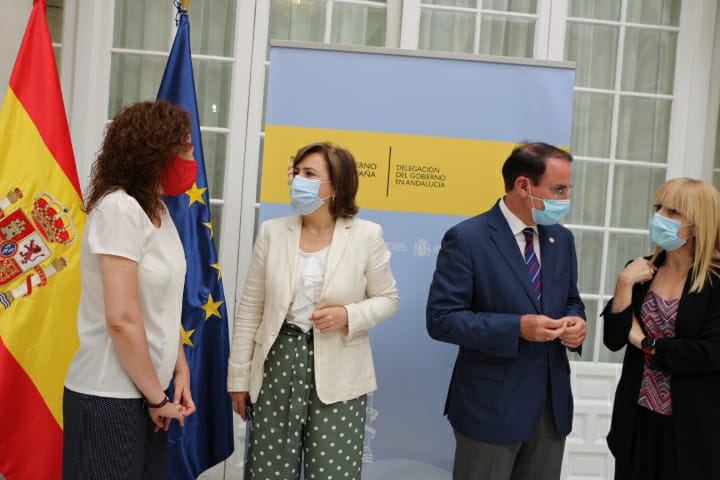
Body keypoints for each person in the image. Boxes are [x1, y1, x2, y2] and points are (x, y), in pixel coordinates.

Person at [227, 141, 399, 480]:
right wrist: (239, 378)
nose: (298, 180)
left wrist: (348, 315)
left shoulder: (366, 235)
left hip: (340, 373)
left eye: (309, 174)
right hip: (275, 367)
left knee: (332, 472)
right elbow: (250, 310)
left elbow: (388, 299)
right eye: (297, 172)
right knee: (268, 471)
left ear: (335, 186)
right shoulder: (272, 232)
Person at [426, 142, 587, 480]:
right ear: (524, 185)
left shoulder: (562, 240)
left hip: (550, 408)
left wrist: (577, 322)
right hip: (490, 408)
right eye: (558, 190)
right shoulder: (467, 239)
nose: (565, 199)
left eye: (568, 189)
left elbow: (571, 299)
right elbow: (442, 320)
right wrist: (517, 327)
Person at [63, 100, 197, 479]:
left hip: (147, 392)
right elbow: (121, 318)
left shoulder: (158, 211)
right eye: (185, 148)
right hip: (109, 395)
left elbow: (160, 304)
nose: (191, 159)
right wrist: (156, 397)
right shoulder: (118, 209)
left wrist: (179, 367)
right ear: (155, 152)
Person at [602, 178, 720, 479]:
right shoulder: (640, 270)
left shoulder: (715, 282)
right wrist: (624, 283)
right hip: (637, 421)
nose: (659, 217)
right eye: (658, 208)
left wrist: (647, 343)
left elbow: (711, 353)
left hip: (693, 430)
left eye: (673, 211)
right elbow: (614, 338)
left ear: (698, 223)